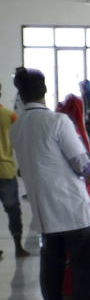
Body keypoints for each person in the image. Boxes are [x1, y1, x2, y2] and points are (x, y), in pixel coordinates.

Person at [10, 68, 90, 300]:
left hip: (43, 208)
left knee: (52, 267)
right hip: (70, 207)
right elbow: (80, 162)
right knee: (82, 265)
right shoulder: (57, 122)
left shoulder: (17, 127)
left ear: (20, 95)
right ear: (44, 90)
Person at [0, 82, 28, 258]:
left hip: (7, 170)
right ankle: (18, 247)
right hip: (6, 170)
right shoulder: (10, 116)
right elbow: (20, 143)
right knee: (13, 209)